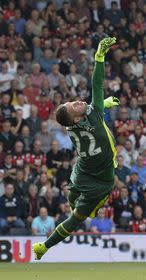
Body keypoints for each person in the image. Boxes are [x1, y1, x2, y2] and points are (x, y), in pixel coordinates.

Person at [33, 37, 119, 259]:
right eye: (73, 107)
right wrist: (99, 56)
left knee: (73, 200)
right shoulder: (93, 115)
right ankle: (44, 247)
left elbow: (92, 106)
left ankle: (71, 200)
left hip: (82, 170)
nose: (76, 102)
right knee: (77, 218)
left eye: (73, 102)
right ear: (76, 117)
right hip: (101, 180)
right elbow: (97, 85)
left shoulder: (73, 126)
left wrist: (104, 104)